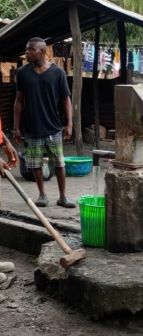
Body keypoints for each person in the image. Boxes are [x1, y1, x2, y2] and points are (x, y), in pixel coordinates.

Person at [14, 37, 75, 208]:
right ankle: (42, 195)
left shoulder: (58, 73)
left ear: (42, 51)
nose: (26, 52)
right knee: (35, 163)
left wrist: (69, 124)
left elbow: (66, 100)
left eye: (30, 49)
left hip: (53, 127)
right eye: (26, 49)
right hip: (32, 127)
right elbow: (18, 101)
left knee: (59, 163)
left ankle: (63, 197)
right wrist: (17, 127)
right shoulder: (23, 73)